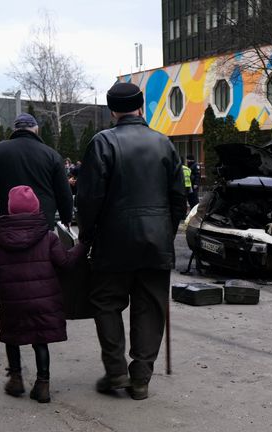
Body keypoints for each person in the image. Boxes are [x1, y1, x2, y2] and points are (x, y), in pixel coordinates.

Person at [77, 82, 187, 400]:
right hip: (156, 241)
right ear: (141, 107)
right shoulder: (163, 143)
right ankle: (141, 378)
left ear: (112, 110)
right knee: (151, 306)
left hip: (113, 242)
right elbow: (178, 199)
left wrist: (86, 235)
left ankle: (116, 372)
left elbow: (88, 198)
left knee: (106, 302)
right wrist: (165, 232)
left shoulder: (102, 142)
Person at [0, 185, 86, 404]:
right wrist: (82, 245)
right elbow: (65, 263)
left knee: (12, 338)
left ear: (11, 210)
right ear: (36, 209)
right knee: (40, 340)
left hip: (11, 300)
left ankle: (15, 379)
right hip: (43, 301)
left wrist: (1, 293)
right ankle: (43, 384)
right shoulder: (48, 237)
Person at [0, 113, 73, 229]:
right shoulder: (51, 155)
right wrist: (66, 216)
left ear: (15, 129)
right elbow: (63, 190)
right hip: (42, 220)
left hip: (10, 219)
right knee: (42, 247)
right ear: (36, 129)